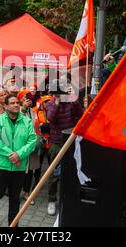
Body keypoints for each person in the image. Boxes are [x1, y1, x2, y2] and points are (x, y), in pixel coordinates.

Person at [0, 95, 37, 227]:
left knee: (14, 198)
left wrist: (19, 154)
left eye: (17, 103)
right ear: (6, 106)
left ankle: (13, 224)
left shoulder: (27, 121)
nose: (16, 105)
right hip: (1, 166)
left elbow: (32, 141)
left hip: (19, 167)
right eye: (12, 103)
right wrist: (12, 156)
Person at [45, 86, 83, 216]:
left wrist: (74, 100)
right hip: (56, 142)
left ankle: (68, 199)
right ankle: (52, 199)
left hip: (70, 141)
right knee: (54, 172)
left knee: (71, 172)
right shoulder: (51, 103)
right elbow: (50, 119)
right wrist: (56, 103)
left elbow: (81, 115)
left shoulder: (71, 102)